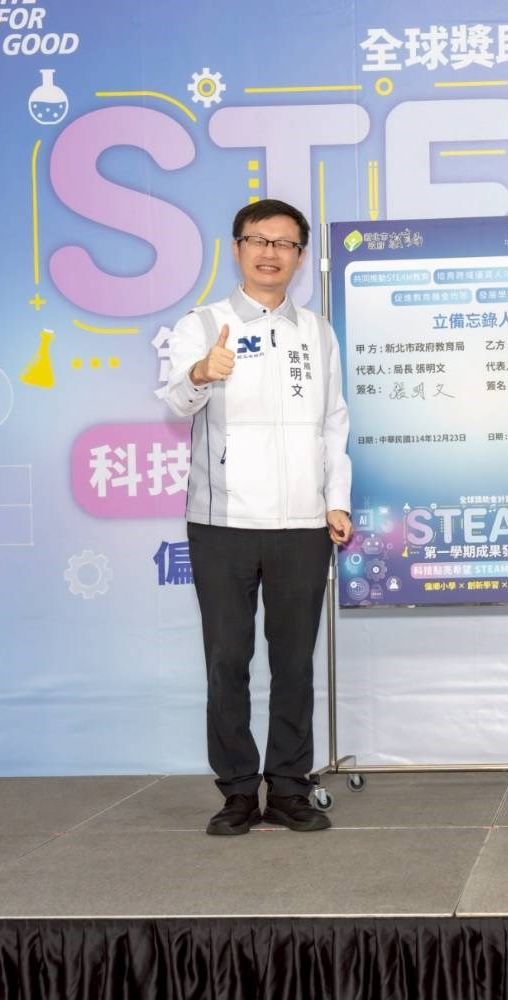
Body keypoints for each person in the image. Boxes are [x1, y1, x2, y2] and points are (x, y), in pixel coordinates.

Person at [158, 198, 353, 836]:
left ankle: (290, 787)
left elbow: (333, 424)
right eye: (258, 240)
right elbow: (175, 402)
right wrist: (201, 372)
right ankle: (238, 790)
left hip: (302, 524)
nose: (271, 253)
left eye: (284, 243)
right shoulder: (202, 323)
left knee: (294, 663)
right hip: (222, 523)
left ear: (299, 256)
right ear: (238, 248)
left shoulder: (317, 332)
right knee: (227, 660)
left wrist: (335, 499)